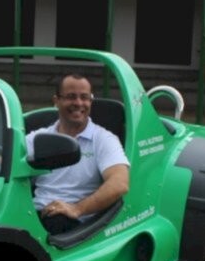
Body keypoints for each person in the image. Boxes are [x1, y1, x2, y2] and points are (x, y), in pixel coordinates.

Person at [26, 74, 130, 235]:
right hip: (34, 213)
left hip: (74, 223)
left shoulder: (104, 139)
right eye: (71, 97)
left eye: (85, 97)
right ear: (56, 101)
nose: (79, 103)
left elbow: (120, 183)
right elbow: (8, 162)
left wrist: (77, 209)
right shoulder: (38, 138)